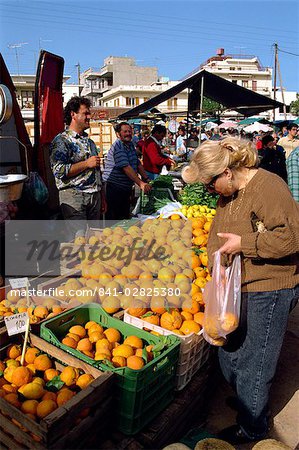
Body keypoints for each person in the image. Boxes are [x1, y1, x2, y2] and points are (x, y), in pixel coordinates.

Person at [182, 137, 299, 445]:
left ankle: (253, 426)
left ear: (227, 173)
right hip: (236, 286)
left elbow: (291, 239)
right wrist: (212, 262)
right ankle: (250, 398)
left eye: (209, 185)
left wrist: (244, 245)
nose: (208, 193)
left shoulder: (268, 187)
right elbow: (214, 236)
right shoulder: (226, 197)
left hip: (271, 286)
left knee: (256, 360)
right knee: (229, 352)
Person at [50, 96, 106, 237]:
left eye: (89, 113)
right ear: (73, 114)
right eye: (85, 113)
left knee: (94, 240)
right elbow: (59, 170)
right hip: (74, 197)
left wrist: (102, 197)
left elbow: (97, 171)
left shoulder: (90, 142)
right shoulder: (62, 140)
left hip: (94, 197)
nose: (89, 116)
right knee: (79, 240)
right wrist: (87, 163)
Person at [103, 122, 151, 220]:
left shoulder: (129, 145)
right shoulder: (118, 146)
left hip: (125, 187)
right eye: (125, 131)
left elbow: (137, 163)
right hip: (114, 187)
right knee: (115, 219)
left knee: (124, 216)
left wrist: (146, 178)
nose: (128, 133)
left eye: (130, 131)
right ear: (118, 134)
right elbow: (126, 167)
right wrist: (140, 183)